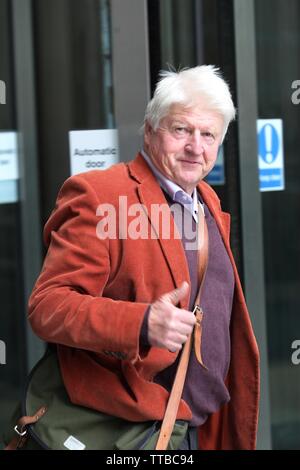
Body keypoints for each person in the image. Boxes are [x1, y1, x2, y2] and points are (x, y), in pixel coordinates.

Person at [28, 65, 260, 450]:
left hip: (204, 425)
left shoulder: (207, 200)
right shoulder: (101, 195)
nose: (196, 147)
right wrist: (141, 322)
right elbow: (47, 306)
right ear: (151, 130)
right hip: (133, 431)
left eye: (208, 135)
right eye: (181, 129)